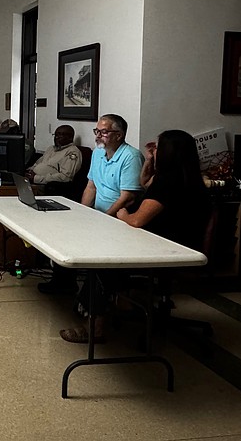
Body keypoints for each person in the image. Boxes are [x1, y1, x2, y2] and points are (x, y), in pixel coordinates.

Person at [59, 114, 144, 344]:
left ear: (119, 135)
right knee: (61, 241)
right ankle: (65, 292)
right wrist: (81, 214)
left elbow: (128, 196)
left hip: (120, 222)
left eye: (103, 132)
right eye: (97, 131)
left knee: (98, 266)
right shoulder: (97, 154)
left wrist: (105, 219)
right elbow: (91, 186)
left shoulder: (131, 157)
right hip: (98, 218)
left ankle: (94, 325)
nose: (98, 136)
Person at [116, 129, 210, 248]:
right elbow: (144, 183)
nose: (154, 151)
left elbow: (137, 221)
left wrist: (123, 215)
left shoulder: (165, 183)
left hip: (162, 246)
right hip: (188, 245)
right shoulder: (191, 178)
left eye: (157, 148)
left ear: (165, 153)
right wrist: (149, 159)